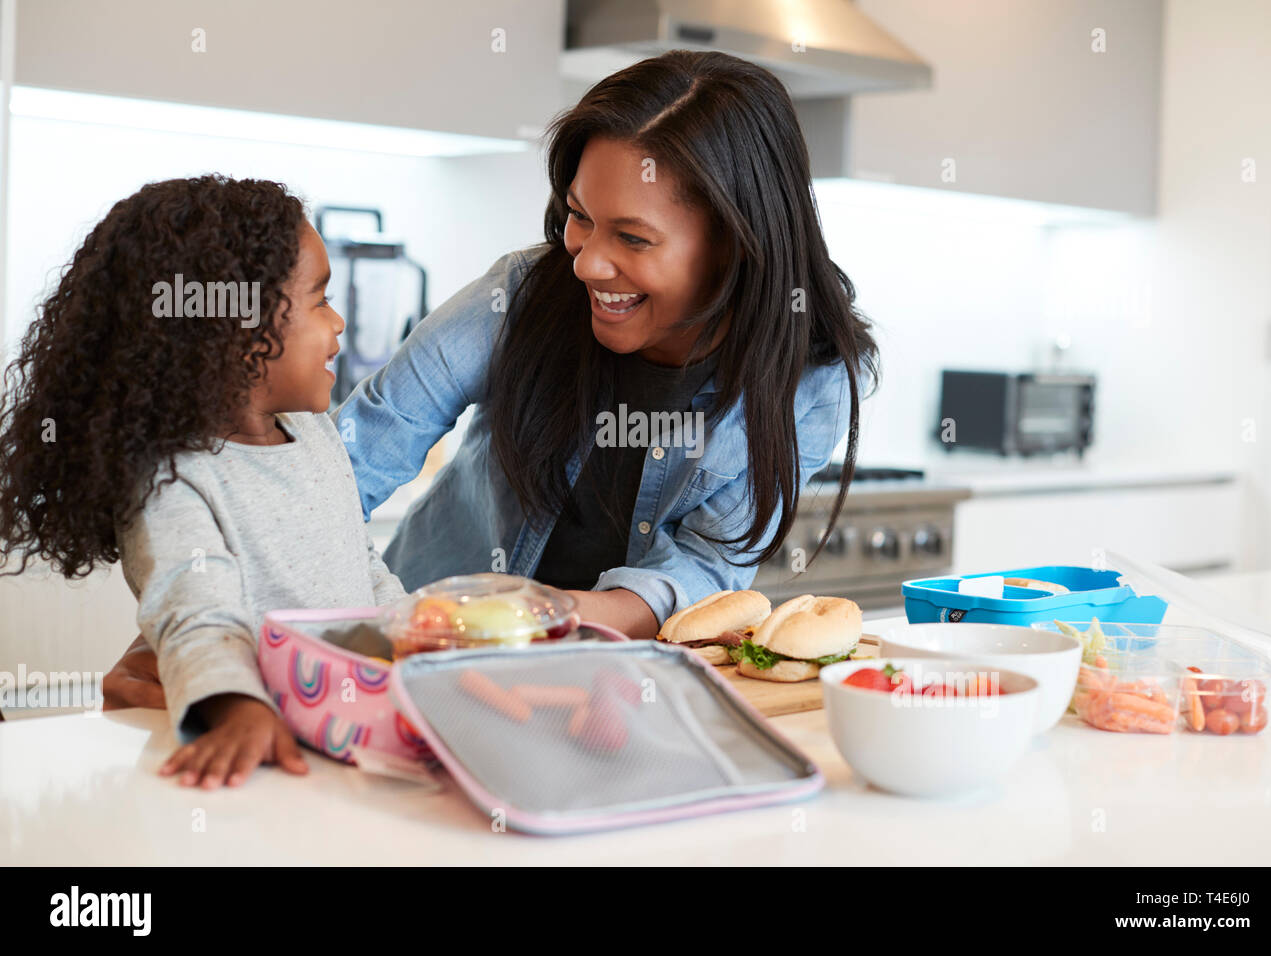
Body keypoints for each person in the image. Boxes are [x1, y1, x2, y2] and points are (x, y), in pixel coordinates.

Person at [97, 49, 880, 707]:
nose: (587, 262)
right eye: (578, 216)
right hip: (425, 660)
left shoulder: (809, 380)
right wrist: (212, 637)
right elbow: (365, 446)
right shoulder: (523, 294)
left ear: (738, 245)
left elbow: (710, 565)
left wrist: (552, 617)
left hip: (613, 682)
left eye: (633, 238)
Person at [0, 175, 407, 787]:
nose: (340, 320)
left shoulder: (316, 435)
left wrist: (419, 634)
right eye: (320, 300)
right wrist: (236, 706)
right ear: (239, 335)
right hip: (260, 745)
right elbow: (194, 613)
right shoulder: (171, 476)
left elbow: (363, 563)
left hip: (358, 728)